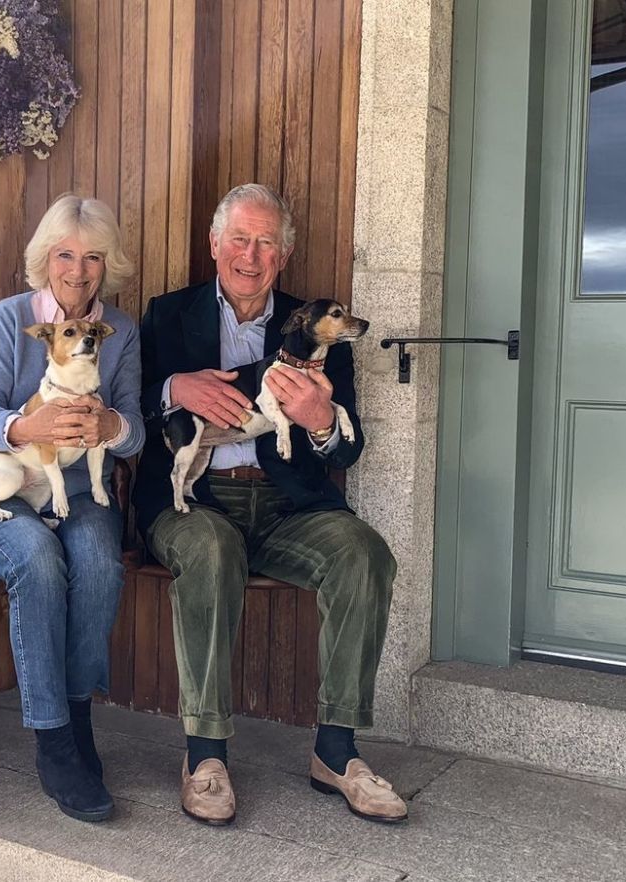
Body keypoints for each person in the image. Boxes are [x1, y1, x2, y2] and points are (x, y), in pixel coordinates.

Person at [133, 184, 405, 825]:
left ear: (283, 255)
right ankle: (205, 756)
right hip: (196, 501)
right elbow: (127, 404)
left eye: (265, 244)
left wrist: (320, 421)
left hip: (289, 506)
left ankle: (336, 752)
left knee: (364, 554)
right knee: (210, 548)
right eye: (239, 239)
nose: (250, 256)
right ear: (214, 244)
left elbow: (347, 449)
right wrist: (175, 388)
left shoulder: (315, 328)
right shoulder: (167, 315)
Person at [0, 194, 144, 823]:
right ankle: (55, 740)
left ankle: (78, 719)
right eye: (65, 255)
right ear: (45, 259)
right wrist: (25, 427)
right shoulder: (8, 320)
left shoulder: (121, 332)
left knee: (99, 560)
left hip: (77, 492)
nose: (78, 271)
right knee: (36, 558)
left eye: (92, 257)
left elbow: (136, 430)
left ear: (107, 264)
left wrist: (112, 426)